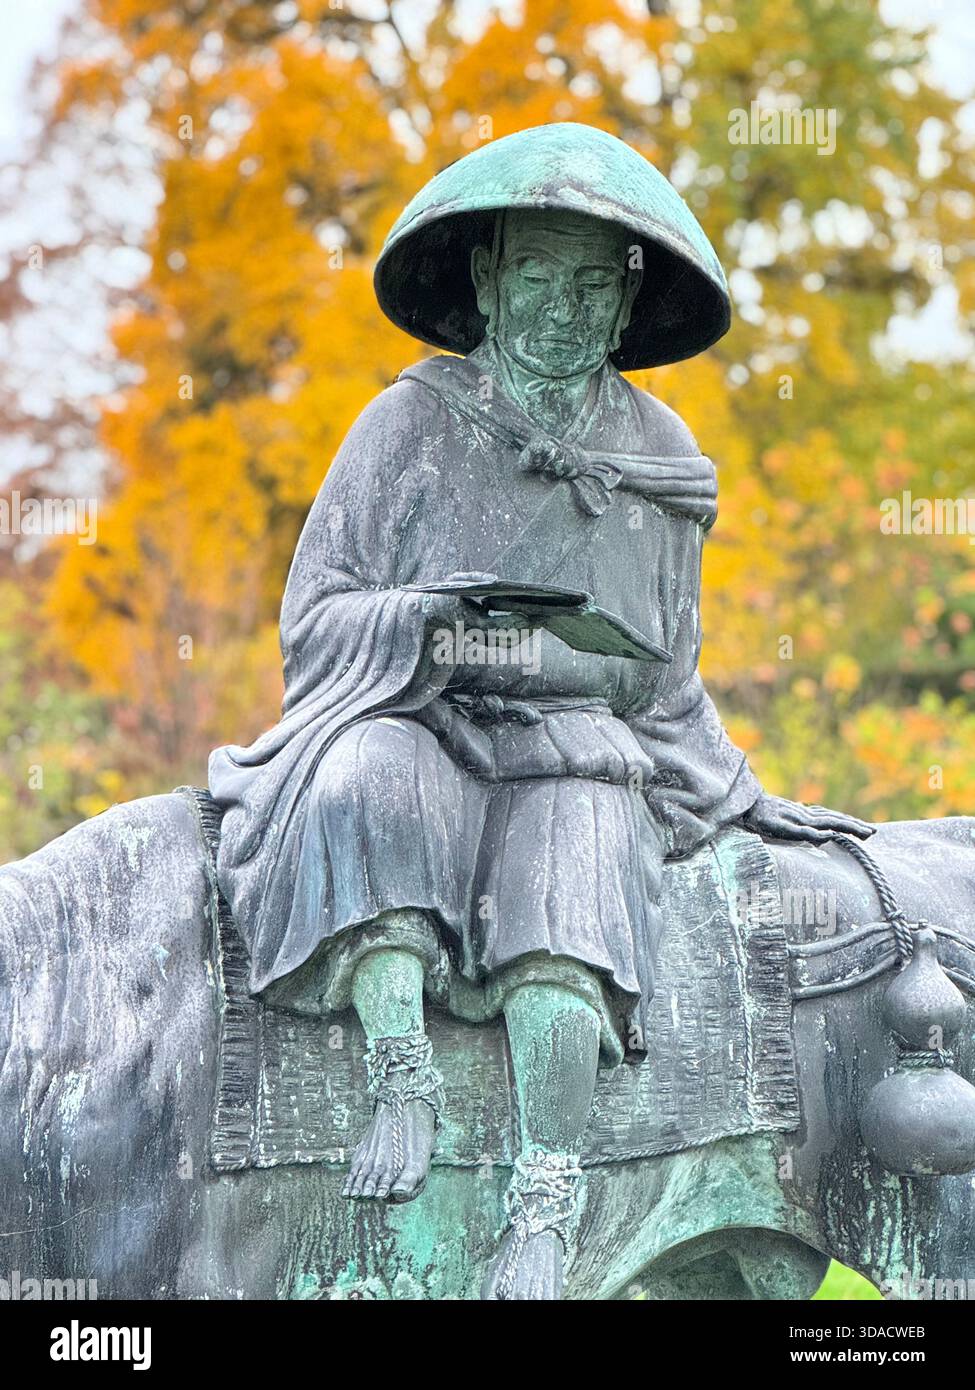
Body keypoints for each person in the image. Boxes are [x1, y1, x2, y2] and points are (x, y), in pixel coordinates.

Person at [209, 123, 872, 1299]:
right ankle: (400, 1071)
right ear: (485, 281)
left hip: (579, 747)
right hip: (420, 718)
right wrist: (440, 625)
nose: (561, 309)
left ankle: (548, 1190)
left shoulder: (662, 458)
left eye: (586, 286)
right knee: (365, 777)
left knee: (577, 866)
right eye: (534, 276)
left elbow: (668, 683)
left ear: (623, 311)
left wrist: (753, 801)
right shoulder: (405, 427)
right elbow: (315, 623)